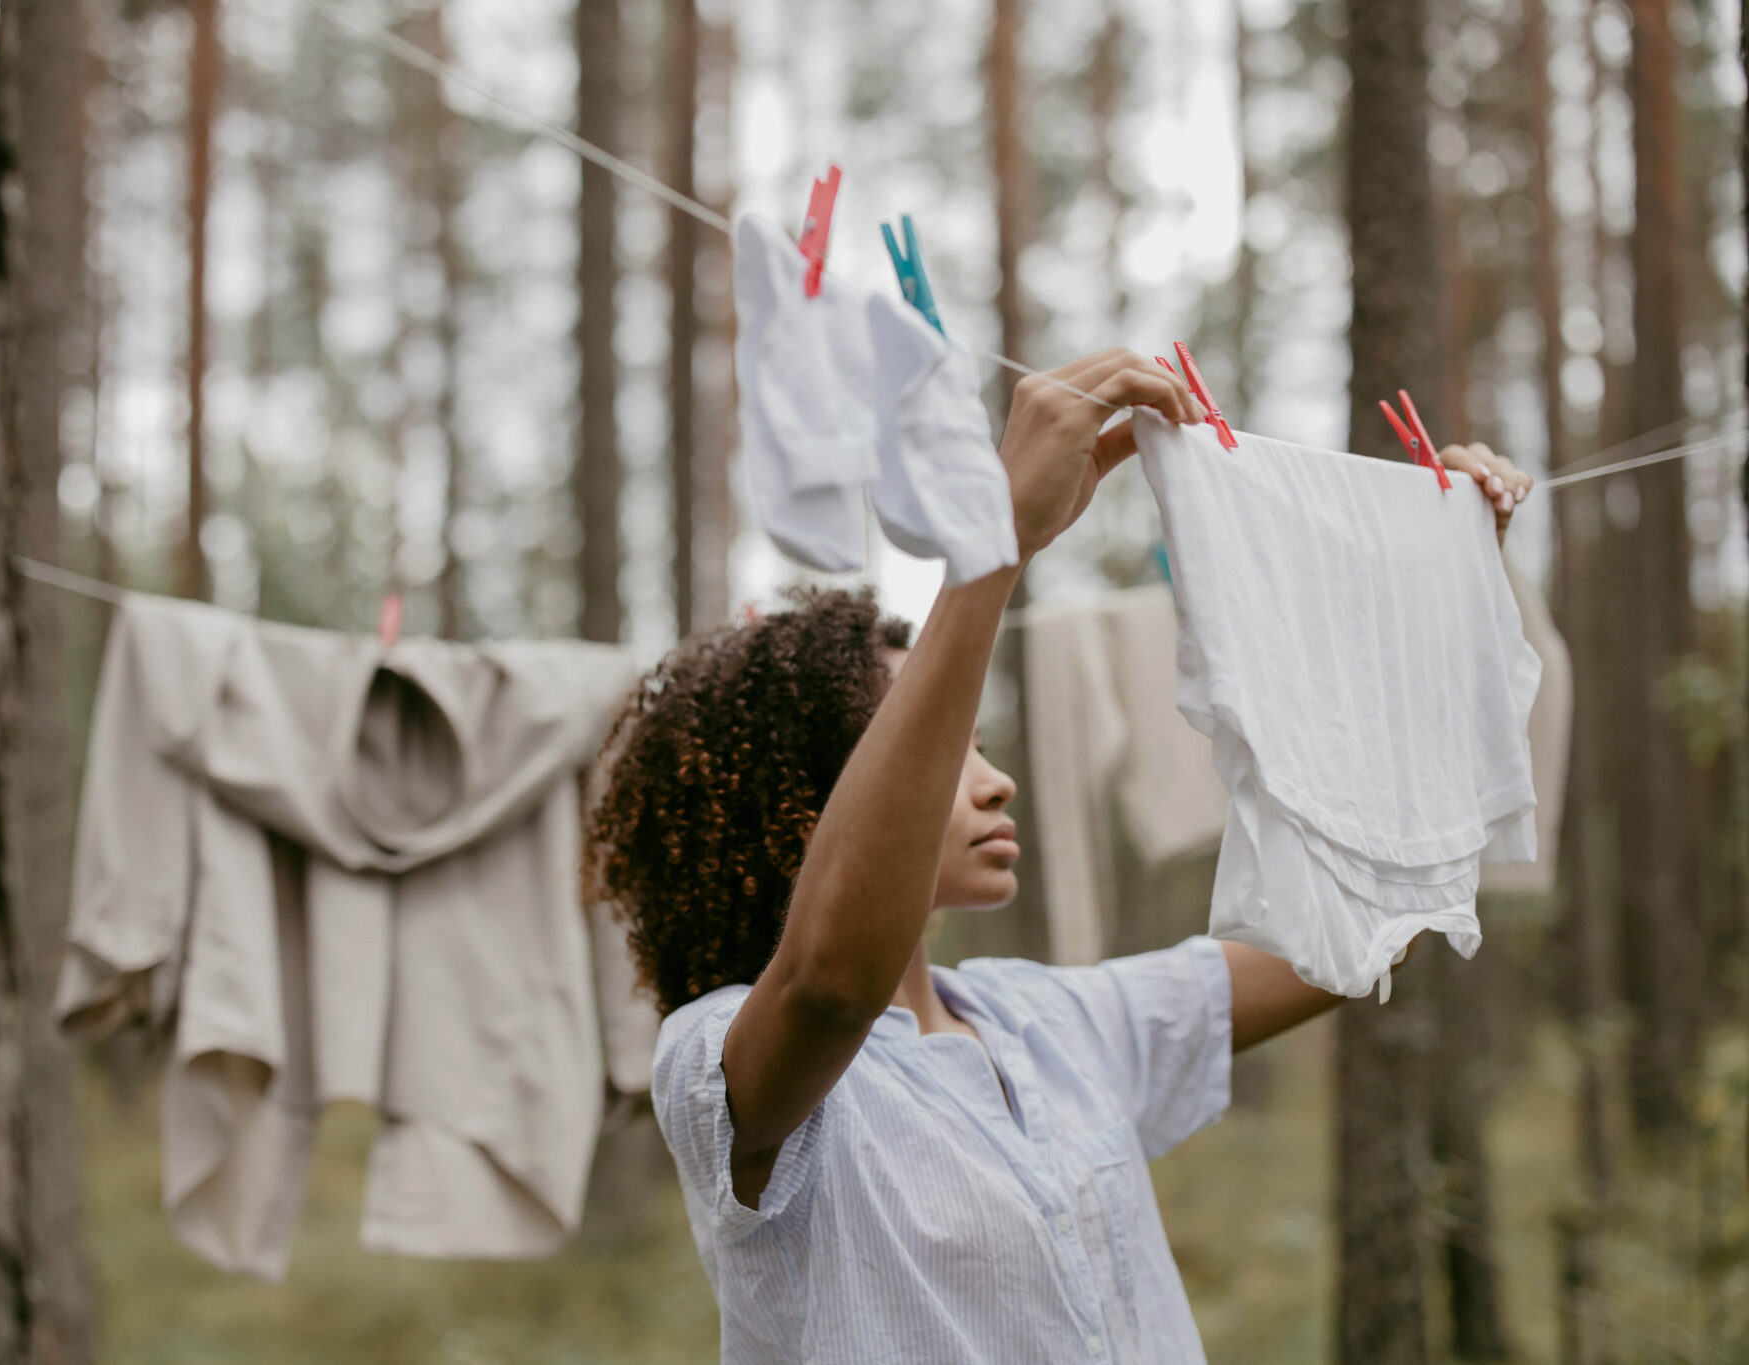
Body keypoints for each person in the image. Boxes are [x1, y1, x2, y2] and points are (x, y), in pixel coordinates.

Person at [582, 350, 1534, 1364]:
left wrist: (1437, 599)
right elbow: (827, 984)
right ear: (804, 807)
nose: (993, 782)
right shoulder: (713, 1056)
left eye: (978, 746)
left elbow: (1355, 927)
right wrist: (990, 549)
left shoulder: (1050, 1022)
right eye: (947, 750)